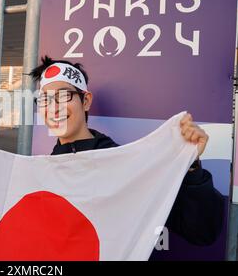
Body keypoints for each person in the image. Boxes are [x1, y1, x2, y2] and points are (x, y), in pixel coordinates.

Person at [30, 56, 224, 249]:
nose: (54, 108)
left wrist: (192, 167)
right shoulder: (42, 173)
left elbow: (201, 231)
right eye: (45, 99)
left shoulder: (127, 165)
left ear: (86, 101)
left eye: (64, 96)